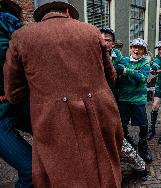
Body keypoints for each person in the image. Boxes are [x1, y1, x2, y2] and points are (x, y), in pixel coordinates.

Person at [4, 0, 124, 187]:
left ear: (41, 15)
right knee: (103, 167)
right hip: (100, 111)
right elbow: (110, 75)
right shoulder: (91, 30)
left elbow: (13, 92)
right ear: (67, 12)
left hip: (52, 118)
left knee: (62, 171)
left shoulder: (21, 36)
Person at [0, 1, 32, 187]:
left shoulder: (18, 36)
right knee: (32, 170)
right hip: (3, 115)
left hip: (17, 105)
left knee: (57, 139)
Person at [116, 38, 153, 163]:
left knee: (143, 126)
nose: (136, 50)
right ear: (130, 49)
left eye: (140, 48)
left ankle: (143, 148)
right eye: (134, 47)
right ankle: (127, 141)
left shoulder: (145, 63)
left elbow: (142, 78)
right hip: (124, 99)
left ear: (144, 52)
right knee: (122, 125)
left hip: (138, 100)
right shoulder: (124, 60)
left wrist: (127, 71)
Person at [100, 27, 123, 102]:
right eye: (102, 40)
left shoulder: (117, 53)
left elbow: (122, 66)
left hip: (114, 90)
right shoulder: (94, 53)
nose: (104, 43)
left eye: (107, 40)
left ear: (113, 44)